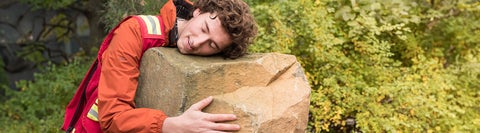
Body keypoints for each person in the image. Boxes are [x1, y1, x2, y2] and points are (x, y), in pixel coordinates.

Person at [61, 0, 257, 132]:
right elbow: (112, 116)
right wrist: (169, 125)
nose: (198, 42)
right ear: (197, 11)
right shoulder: (135, 31)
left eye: (211, 45)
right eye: (204, 28)